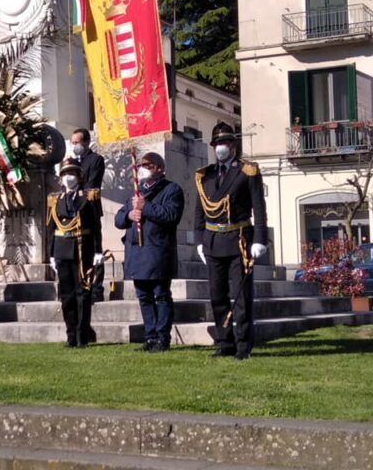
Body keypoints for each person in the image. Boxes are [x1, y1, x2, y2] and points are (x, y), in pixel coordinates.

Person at [194, 122, 268, 360]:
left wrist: (260, 240)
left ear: (233, 144)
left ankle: (243, 345)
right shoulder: (205, 176)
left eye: (224, 143)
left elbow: (259, 207)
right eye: (217, 144)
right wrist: (199, 240)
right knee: (217, 295)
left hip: (239, 240)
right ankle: (224, 342)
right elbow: (199, 212)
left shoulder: (247, 171)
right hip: (214, 240)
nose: (220, 147)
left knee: (241, 296)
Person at [114, 152, 184, 352]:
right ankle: (150, 336)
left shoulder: (171, 190)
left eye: (148, 165)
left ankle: (163, 337)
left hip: (158, 251)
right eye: (141, 165)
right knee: (143, 296)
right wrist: (129, 214)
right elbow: (118, 220)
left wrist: (146, 207)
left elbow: (171, 215)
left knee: (160, 295)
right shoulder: (136, 193)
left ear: (159, 168)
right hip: (137, 252)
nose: (143, 168)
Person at [47, 158, 103, 348]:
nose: (68, 178)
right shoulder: (55, 201)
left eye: (71, 174)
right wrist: (52, 254)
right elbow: (51, 229)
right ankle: (71, 335)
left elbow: (96, 226)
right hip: (62, 250)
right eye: (64, 174)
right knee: (67, 296)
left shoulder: (89, 198)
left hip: (82, 249)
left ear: (79, 177)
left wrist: (98, 251)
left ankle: (82, 336)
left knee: (83, 294)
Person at [70, 128, 106, 302]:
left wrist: (77, 192)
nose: (74, 146)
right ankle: (79, 285)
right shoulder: (71, 162)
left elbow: (92, 184)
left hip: (90, 209)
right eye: (73, 143)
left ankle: (97, 289)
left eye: (77, 142)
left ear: (85, 142)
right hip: (73, 211)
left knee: (94, 248)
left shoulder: (96, 160)